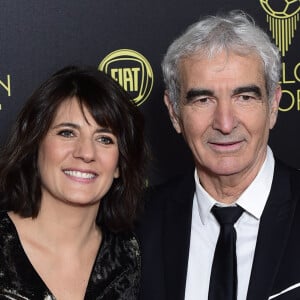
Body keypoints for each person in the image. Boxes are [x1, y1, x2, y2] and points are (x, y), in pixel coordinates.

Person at [136, 10, 300, 300]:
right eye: (203, 99)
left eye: (245, 97)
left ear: (273, 105)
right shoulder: (137, 223)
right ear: (174, 112)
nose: (225, 123)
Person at [0, 66, 147, 299]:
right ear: (35, 144)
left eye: (104, 139)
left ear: (120, 164)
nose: (86, 153)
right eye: (67, 133)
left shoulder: (134, 257)